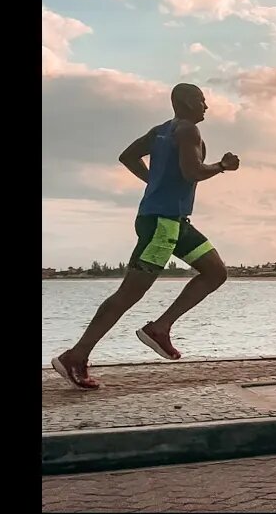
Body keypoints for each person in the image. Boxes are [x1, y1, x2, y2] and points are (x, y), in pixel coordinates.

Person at [51, 83, 240, 390]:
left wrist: (155, 181)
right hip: (162, 226)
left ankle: (160, 328)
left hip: (173, 223)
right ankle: (76, 355)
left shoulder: (160, 131)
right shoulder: (188, 130)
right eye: (202, 101)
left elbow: (127, 156)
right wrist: (221, 166)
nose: (207, 106)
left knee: (216, 272)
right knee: (128, 294)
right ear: (187, 102)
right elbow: (192, 172)